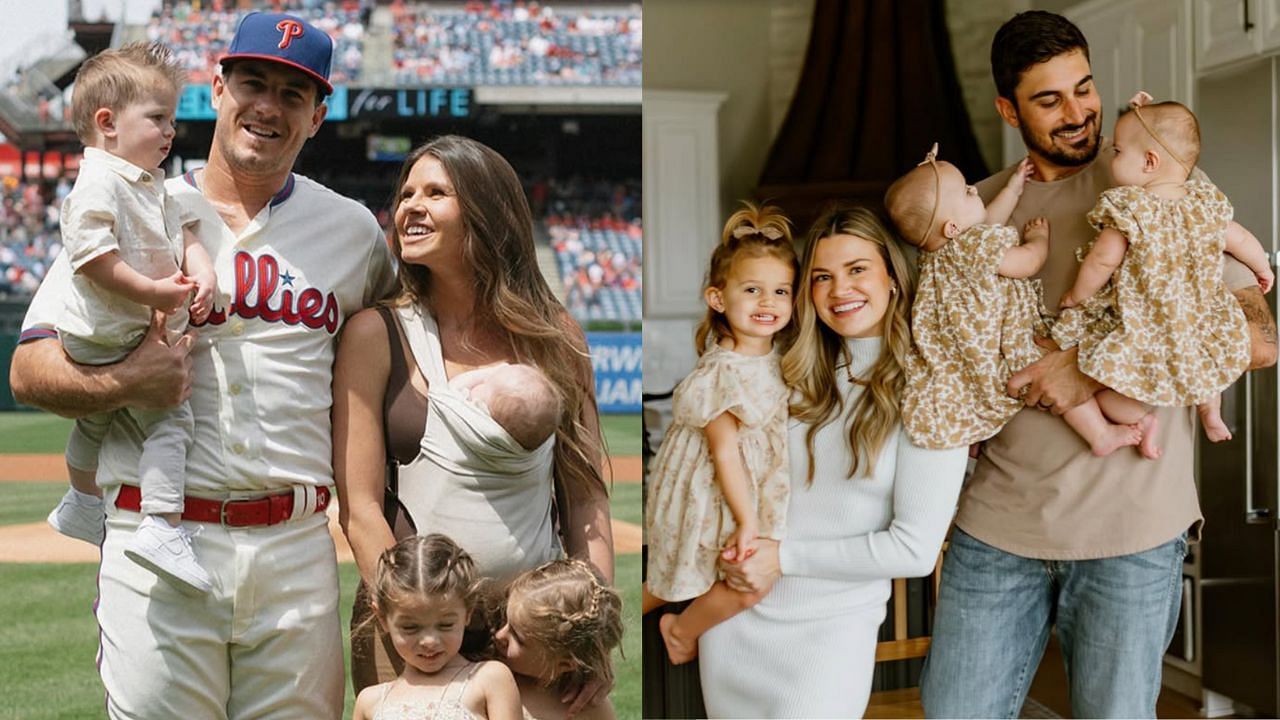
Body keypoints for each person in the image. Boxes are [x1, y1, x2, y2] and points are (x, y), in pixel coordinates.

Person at [11, 12, 398, 718]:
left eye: (292, 93)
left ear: (318, 115)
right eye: (253, 82)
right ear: (217, 88)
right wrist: (125, 382)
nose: (268, 106)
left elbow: (403, 352)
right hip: (161, 543)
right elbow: (30, 369)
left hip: (296, 548)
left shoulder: (354, 232)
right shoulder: (136, 198)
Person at [920, 11, 1278, 719]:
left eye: (1084, 89)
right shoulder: (974, 214)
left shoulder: (1164, 189)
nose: (1078, 112)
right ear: (1007, 109)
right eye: (1049, 100)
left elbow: (1260, 338)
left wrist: (1085, 368)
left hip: (1133, 536)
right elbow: (944, 349)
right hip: (997, 530)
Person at [334, 135, 614, 716]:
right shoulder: (375, 333)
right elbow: (359, 507)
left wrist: (587, 631)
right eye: (406, 192)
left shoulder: (556, 336)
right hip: (415, 629)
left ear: (487, 212)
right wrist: (410, 618)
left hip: (533, 630)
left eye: (437, 193)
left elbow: (585, 499)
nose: (410, 205)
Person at [696, 207, 969, 718]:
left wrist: (784, 558)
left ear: (893, 277)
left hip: (830, 635)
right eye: (822, 276)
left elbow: (913, 549)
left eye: (858, 269)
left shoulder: (933, 391)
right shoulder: (784, 375)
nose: (840, 288)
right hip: (735, 620)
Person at [44, 41, 217, 596]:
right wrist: (154, 292)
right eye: (158, 118)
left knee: (95, 422)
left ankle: (78, 501)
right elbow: (92, 255)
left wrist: (203, 272)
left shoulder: (149, 184)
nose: (171, 132)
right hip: (110, 334)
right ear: (107, 123)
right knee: (172, 419)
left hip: (117, 333)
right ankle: (161, 524)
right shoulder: (99, 180)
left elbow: (184, 233)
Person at [885, 144, 1154, 457]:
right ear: (952, 228)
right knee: (1045, 372)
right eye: (967, 192)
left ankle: (1135, 419)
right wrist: (1038, 241)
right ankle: (1103, 433)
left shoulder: (935, 258)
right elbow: (1024, 263)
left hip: (965, 358)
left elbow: (988, 222)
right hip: (1002, 345)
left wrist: (1012, 189)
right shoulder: (972, 245)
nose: (975, 190)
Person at [1054, 91, 1274, 446]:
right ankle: (1211, 412)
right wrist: (1263, 269)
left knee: (1113, 396)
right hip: (1199, 317)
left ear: (1150, 163)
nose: (1112, 156)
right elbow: (1241, 239)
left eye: (1119, 151)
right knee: (1207, 366)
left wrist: (1076, 295)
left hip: (1151, 321)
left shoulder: (1132, 208)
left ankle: (1137, 422)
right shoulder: (1203, 203)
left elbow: (1102, 260)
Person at [641, 203, 796, 665]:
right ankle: (679, 630)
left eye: (780, 291)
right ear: (718, 298)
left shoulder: (773, 356)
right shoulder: (724, 370)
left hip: (743, 492)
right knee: (736, 582)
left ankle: (635, 616)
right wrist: (749, 520)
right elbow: (725, 451)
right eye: (752, 290)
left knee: (681, 576)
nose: (768, 303)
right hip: (717, 496)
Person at [353, 534, 522, 720]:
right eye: (410, 627)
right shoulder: (370, 702)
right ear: (382, 618)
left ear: (468, 612)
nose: (429, 641)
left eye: (445, 625)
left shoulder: (489, 679)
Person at [495, 558, 624, 720]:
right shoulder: (486, 677)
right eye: (505, 620)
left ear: (565, 663)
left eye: (517, 638)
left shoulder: (589, 708)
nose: (499, 635)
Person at [452, 362, 562, 451]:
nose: (483, 381)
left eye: (484, 385)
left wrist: (488, 373)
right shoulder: (526, 447)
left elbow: (453, 388)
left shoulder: (477, 416)